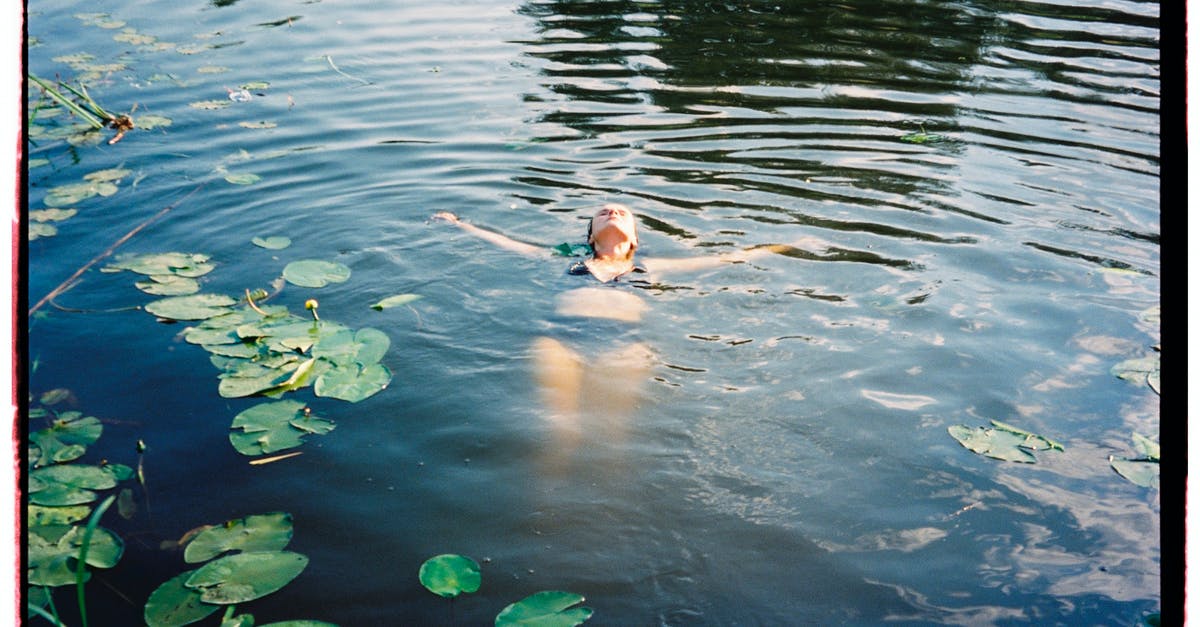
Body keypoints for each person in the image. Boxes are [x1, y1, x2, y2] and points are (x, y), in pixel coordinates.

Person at [431, 204, 785, 463]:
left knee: (615, 432)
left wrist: (789, 245)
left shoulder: (650, 265)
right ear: (589, 236)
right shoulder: (564, 260)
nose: (612, 211)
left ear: (634, 238)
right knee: (558, 427)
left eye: (621, 213)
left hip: (624, 343)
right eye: (603, 212)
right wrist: (459, 224)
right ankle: (546, 493)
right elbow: (508, 244)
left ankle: (609, 503)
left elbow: (726, 258)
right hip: (560, 340)